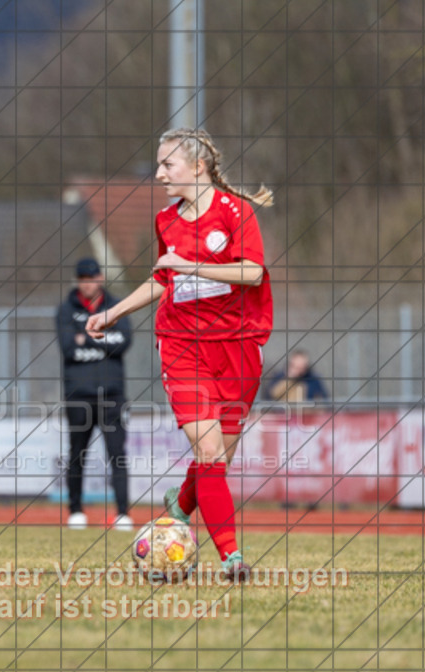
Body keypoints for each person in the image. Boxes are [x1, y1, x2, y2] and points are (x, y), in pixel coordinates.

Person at [86, 128, 273, 580]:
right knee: (208, 452)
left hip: (237, 347)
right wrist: (114, 311)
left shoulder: (236, 213)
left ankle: (179, 507)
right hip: (181, 345)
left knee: (218, 460)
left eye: (167, 164)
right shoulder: (167, 219)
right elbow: (162, 279)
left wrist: (188, 263)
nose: (159, 173)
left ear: (198, 167)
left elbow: (250, 272)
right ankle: (232, 558)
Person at [57, 257, 133, 530]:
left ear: (101, 278)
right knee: (77, 454)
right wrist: (103, 339)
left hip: (113, 395)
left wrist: (85, 338)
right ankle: (76, 510)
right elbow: (68, 348)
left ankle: (123, 513)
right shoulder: (66, 310)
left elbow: (124, 342)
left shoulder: (115, 306)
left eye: (92, 277)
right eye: (83, 278)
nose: (88, 283)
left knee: (118, 455)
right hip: (79, 396)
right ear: (78, 280)